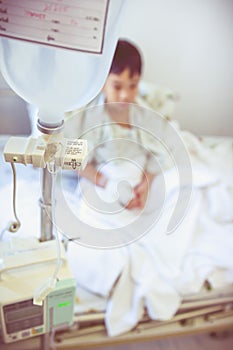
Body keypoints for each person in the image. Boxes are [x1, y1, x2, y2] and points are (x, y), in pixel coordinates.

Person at [64, 39, 162, 216]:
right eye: (117, 86)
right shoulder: (94, 117)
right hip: (106, 176)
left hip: (139, 177)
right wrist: (109, 185)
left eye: (133, 86)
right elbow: (79, 163)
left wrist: (145, 184)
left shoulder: (142, 114)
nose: (126, 95)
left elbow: (157, 153)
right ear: (101, 83)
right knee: (94, 207)